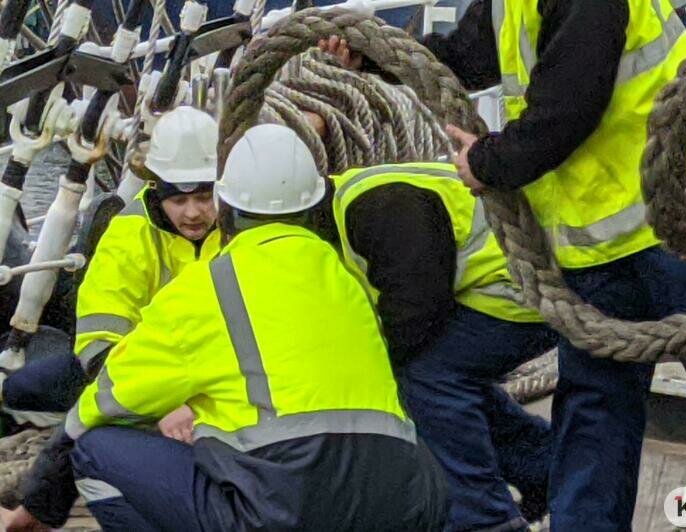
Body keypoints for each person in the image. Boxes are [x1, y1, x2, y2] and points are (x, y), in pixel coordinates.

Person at [323, 1, 686, 529]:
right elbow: (462, 57)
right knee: (593, 420)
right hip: (596, 251)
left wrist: (488, 163)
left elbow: (570, 104)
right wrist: (372, 57)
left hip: (683, 223)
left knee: (598, 416)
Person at [14, 124, 448, 532]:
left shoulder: (206, 286)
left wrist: (38, 502)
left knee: (93, 448)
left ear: (226, 204)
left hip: (286, 507)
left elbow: (103, 405)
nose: (193, 213)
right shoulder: (344, 276)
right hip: (406, 499)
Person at [0, 105, 222, 530]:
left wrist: (197, 402)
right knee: (25, 391)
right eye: (179, 199)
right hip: (134, 368)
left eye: (203, 197)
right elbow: (100, 341)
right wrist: (164, 402)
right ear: (156, 190)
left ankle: (30, 518)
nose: (193, 212)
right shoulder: (129, 232)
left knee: (83, 435)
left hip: (214, 374)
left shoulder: (242, 227)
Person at [312, 161, 556, 531]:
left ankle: (482, 518)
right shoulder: (352, 202)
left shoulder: (377, 208)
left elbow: (419, 306)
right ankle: (545, 466)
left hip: (523, 286)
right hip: (524, 277)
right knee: (442, 376)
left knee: (428, 376)